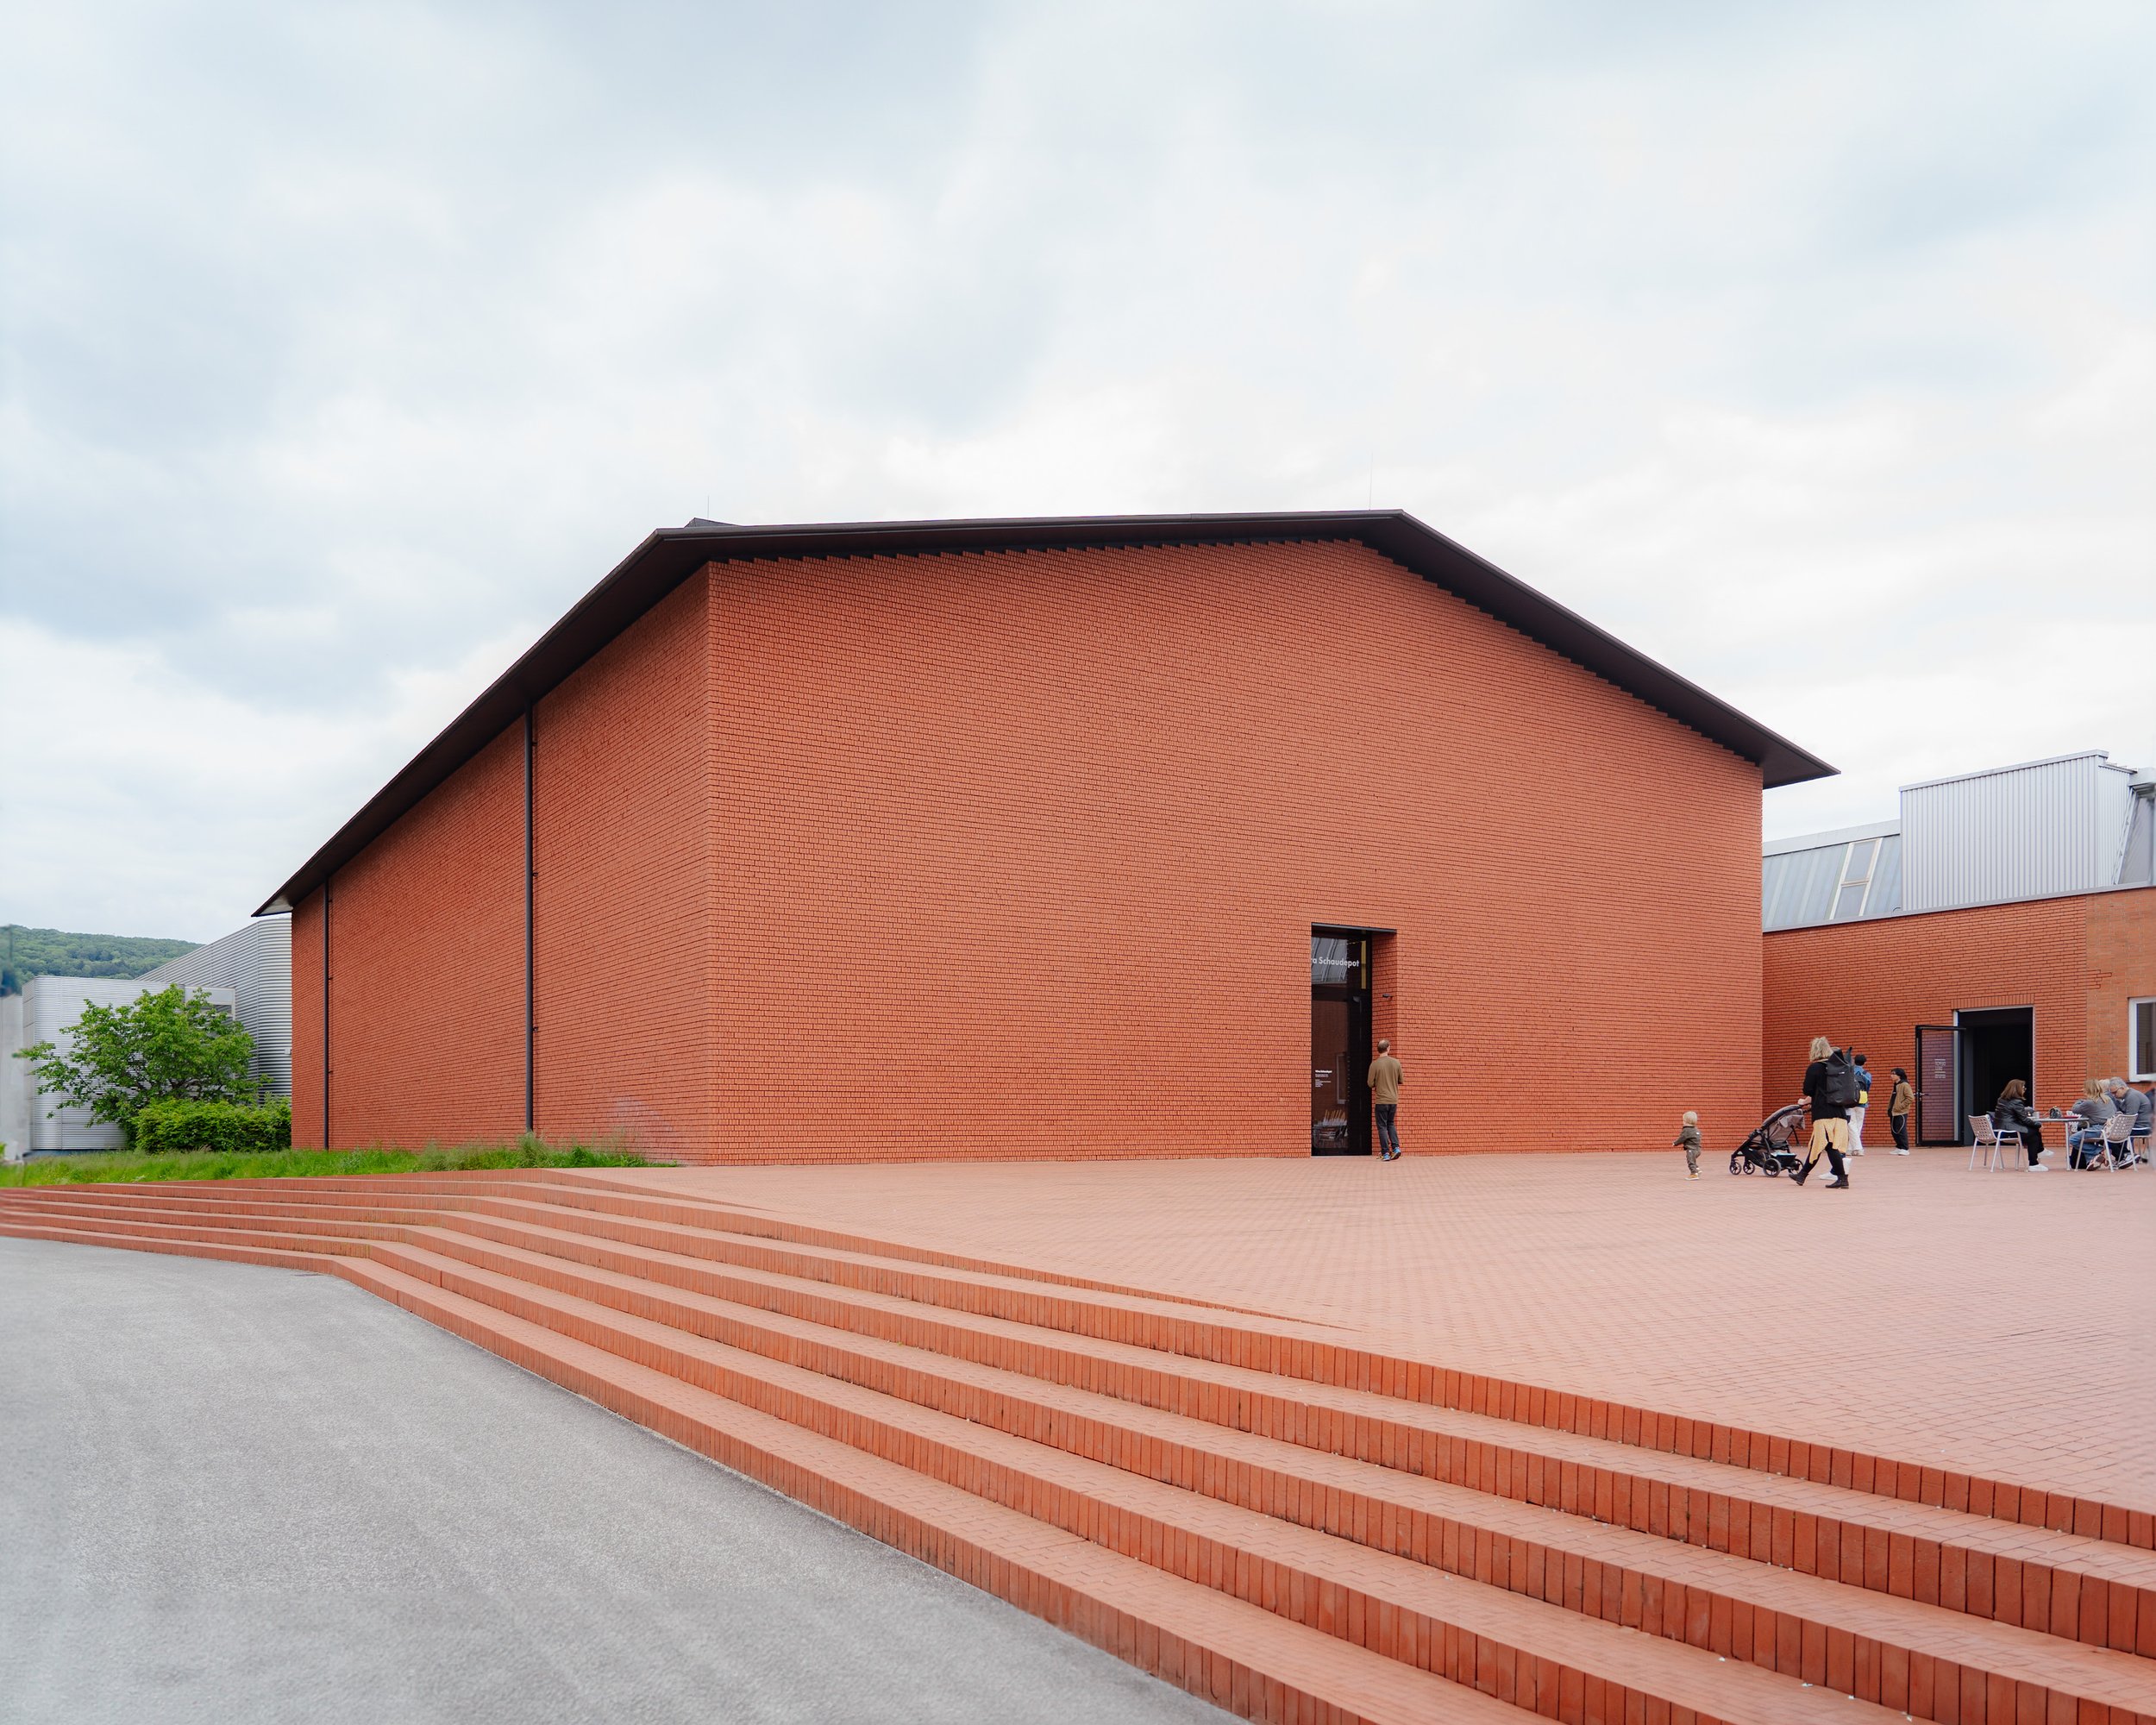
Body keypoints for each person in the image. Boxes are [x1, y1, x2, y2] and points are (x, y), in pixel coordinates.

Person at [1795, 1036, 1855, 1189]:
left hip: (1823, 1112)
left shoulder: (1815, 1068)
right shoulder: (1838, 1067)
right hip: (1840, 1111)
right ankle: (1802, 1175)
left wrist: (1806, 1099)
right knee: (1819, 1143)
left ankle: (1842, 1178)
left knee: (1829, 1145)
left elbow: (1808, 1089)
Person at [1992, 1079, 2046, 1170]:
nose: (2025, 1089)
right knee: (2034, 1133)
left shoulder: (2001, 1100)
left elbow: (2016, 1118)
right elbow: (2024, 1120)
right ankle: (2036, 1160)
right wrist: (2039, 1124)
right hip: (2010, 1132)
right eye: (2023, 1087)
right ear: (2017, 1089)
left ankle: (2038, 1156)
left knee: (2033, 1134)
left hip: (2000, 1131)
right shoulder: (2017, 1102)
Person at [2067, 1079, 2115, 1169]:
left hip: (2098, 1130)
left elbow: (2075, 1109)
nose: (2082, 1089)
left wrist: (2080, 1101)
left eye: (2084, 1088)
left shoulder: (2090, 1102)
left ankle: (2099, 1151)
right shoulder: (2108, 1100)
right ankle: (2092, 1160)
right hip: (2110, 1129)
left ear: (2089, 1089)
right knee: (2083, 1138)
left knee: (2073, 1139)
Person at [1369, 1038, 1403, 1162]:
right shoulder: (1396, 1063)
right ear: (1388, 1048)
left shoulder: (1375, 1064)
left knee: (1382, 1126)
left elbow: (1370, 1083)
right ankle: (1396, 1148)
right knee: (1391, 1123)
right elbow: (1401, 1080)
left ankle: (1386, 1153)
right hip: (1393, 1100)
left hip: (1381, 1101)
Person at [2107, 1078, 2152, 1164]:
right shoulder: (2129, 1095)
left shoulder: (2132, 1096)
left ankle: (2126, 1155)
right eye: (2112, 1093)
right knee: (2111, 1133)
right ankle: (2125, 1155)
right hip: (2139, 1125)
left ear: (2122, 1088)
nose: (2114, 1095)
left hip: (2143, 1127)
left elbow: (2129, 1118)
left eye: (2115, 1092)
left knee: (2112, 1134)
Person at [1848, 1052, 1873, 1154]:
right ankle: (1853, 1148)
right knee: (1858, 1125)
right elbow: (1868, 1088)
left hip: (1849, 1100)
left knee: (1851, 1124)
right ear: (1864, 1063)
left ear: (1854, 1061)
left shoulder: (1849, 1072)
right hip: (1862, 1100)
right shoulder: (1867, 1074)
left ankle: (1855, 1148)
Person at [1887, 1067, 1915, 1153]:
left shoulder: (1904, 1085)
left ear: (1899, 1075)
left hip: (1901, 1112)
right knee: (1894, 1131)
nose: (1891, 1076)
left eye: (1893, 1074)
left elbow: (1910, 1098)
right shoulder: (1896, 1085)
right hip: (1893, 1112)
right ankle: (1899, 1147)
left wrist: (1901, 1106)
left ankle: (1905, 1148)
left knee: (1901, 1130)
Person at [1675, 1110, 1702, 1179]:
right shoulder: (1696, 1129)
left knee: (1690, 1161)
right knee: (1693, 1160)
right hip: (1698, 1149)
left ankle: (1694, 1174)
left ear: (1686, 1121)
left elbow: (1682, 1138)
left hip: (1691, 1149)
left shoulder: (1686, 1130)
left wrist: (1675, 1143)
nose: (1683, 1122)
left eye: (1683, 1120)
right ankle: (1697, 1169)